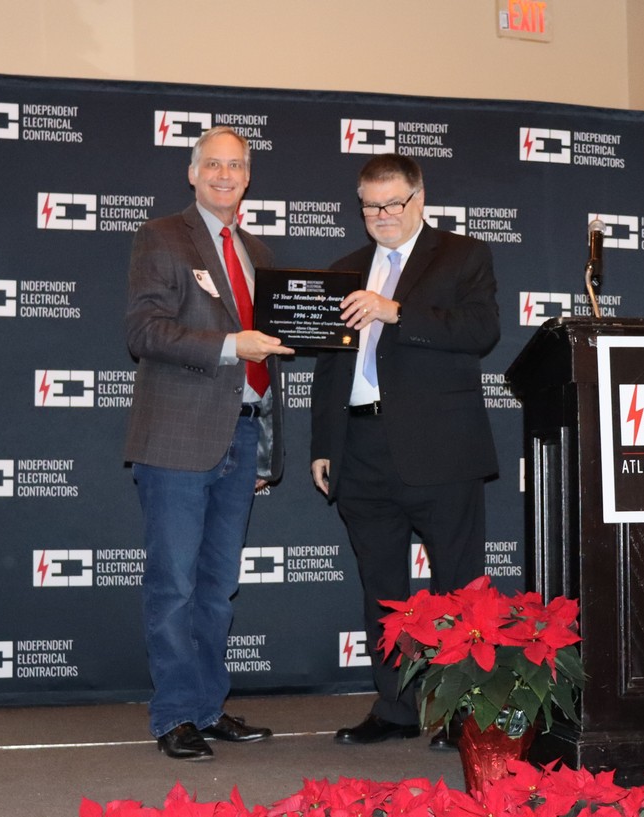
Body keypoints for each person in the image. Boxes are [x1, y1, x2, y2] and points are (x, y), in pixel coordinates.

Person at [310, 153, 500, 749]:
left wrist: (396, 311)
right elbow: (329, 366)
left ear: (419, 198)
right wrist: (324, 444)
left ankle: (465, 713)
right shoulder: (344, 270)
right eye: (371, 206)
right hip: (360, 448)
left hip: (443, 449)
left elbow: (481, 332)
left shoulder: (464, 255)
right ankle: (394, 709)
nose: (383, 215)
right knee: (383, 589)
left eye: (393, 203)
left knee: (459, 586)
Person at [124, 126, 294, 761]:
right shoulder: (162, 236)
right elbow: (144, 331)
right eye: (213, 165)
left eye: (236, 165)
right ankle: (174, 714)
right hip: (176, 436)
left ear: (248, 177)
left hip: (242, 434)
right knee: (174, 585)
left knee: (219, 587)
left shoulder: (258, 251)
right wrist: (229, 345)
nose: (225, 175)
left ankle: (207, 707)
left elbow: (269, 352)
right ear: (192, 174)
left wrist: (266, 442)